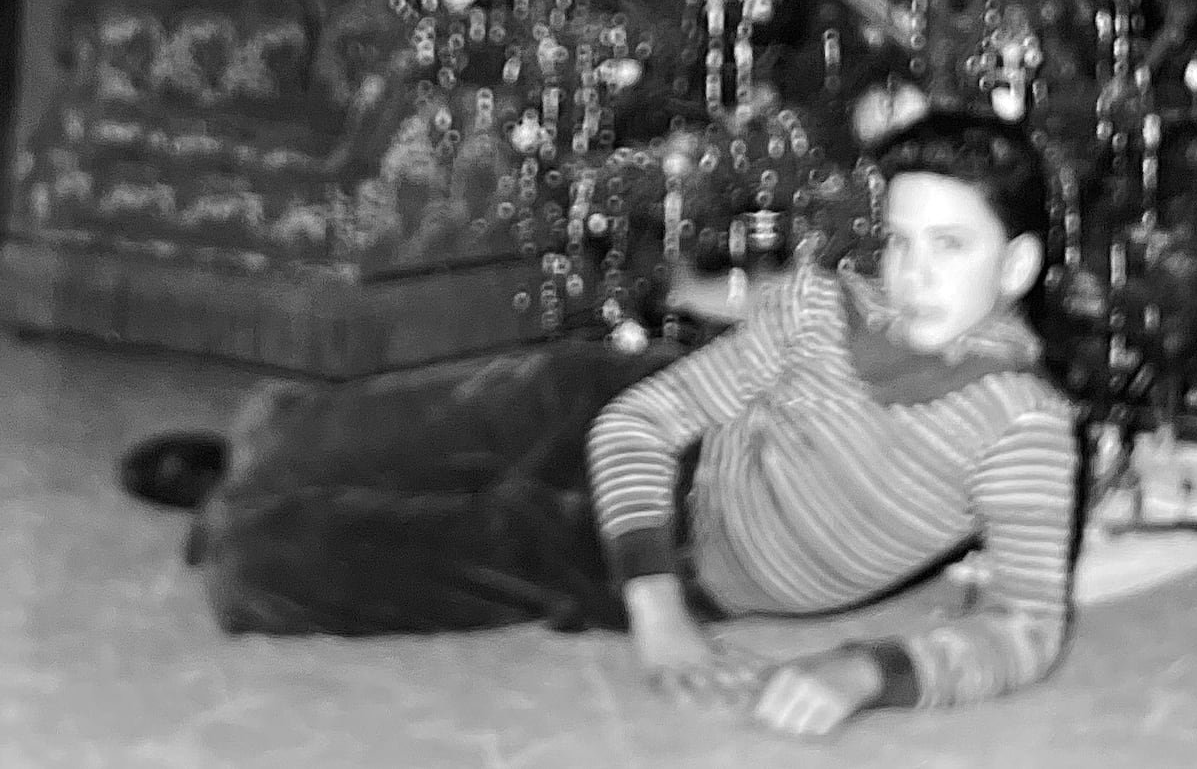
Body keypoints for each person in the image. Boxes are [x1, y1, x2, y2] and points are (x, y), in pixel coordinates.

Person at [187, 109, 1085, 739]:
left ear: (1017, 265)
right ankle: (260, 451)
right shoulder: (822, 309)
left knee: (268, 569)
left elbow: (1025, 625)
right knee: (503, 402)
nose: (912, 275)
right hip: (659, 424)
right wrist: (655, 614)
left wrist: (865, 671)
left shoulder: (1024, 430)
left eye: (950, 245)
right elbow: (637, 424)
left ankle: (242, 513)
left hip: (702, 559)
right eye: (900, 240)